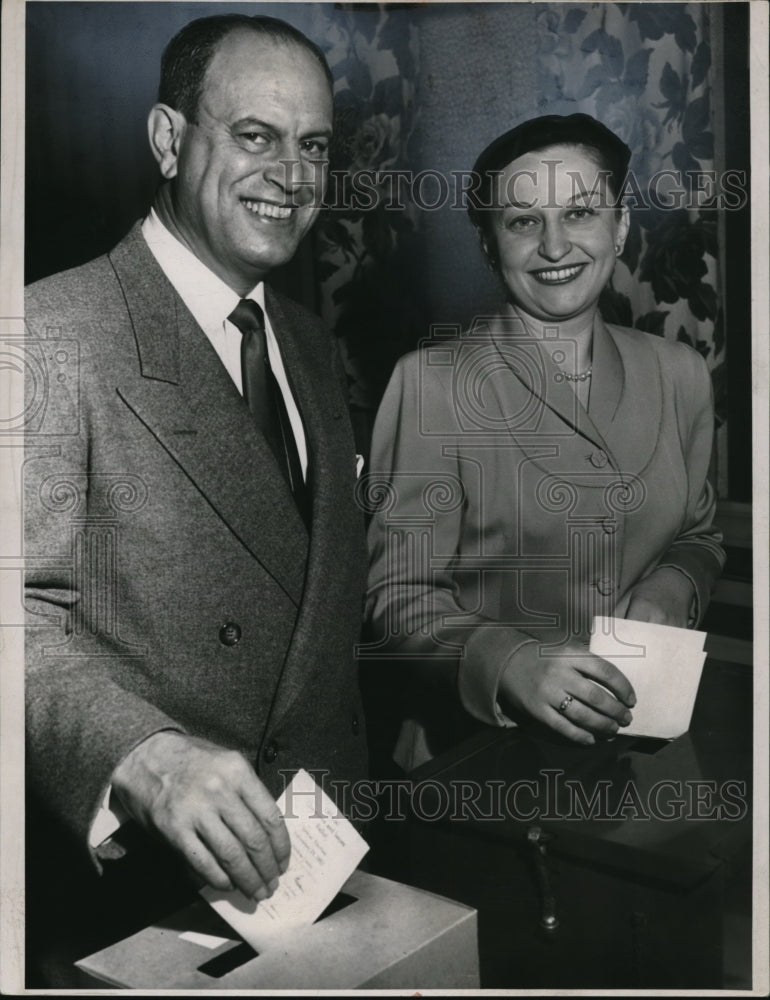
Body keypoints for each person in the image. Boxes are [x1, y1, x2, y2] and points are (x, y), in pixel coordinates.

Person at [24, 14, 367, 983]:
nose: (290, 175)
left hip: (318, 867)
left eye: (312, 147)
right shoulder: (49, 332)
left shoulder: (303, 340)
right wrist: (148, 757)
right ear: (169, 140)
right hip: (138, 903)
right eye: (254, 135)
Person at [364, 114, 725, 770]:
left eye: (581, 213)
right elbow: (396, 601)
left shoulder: (681, 376)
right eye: (524, 222)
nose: (555, 246)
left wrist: (674, 585)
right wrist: (509, 663)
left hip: (649, 744)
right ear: (488, 245)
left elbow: (697, 535)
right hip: (477, 758)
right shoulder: (431, 384)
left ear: (620, 227)